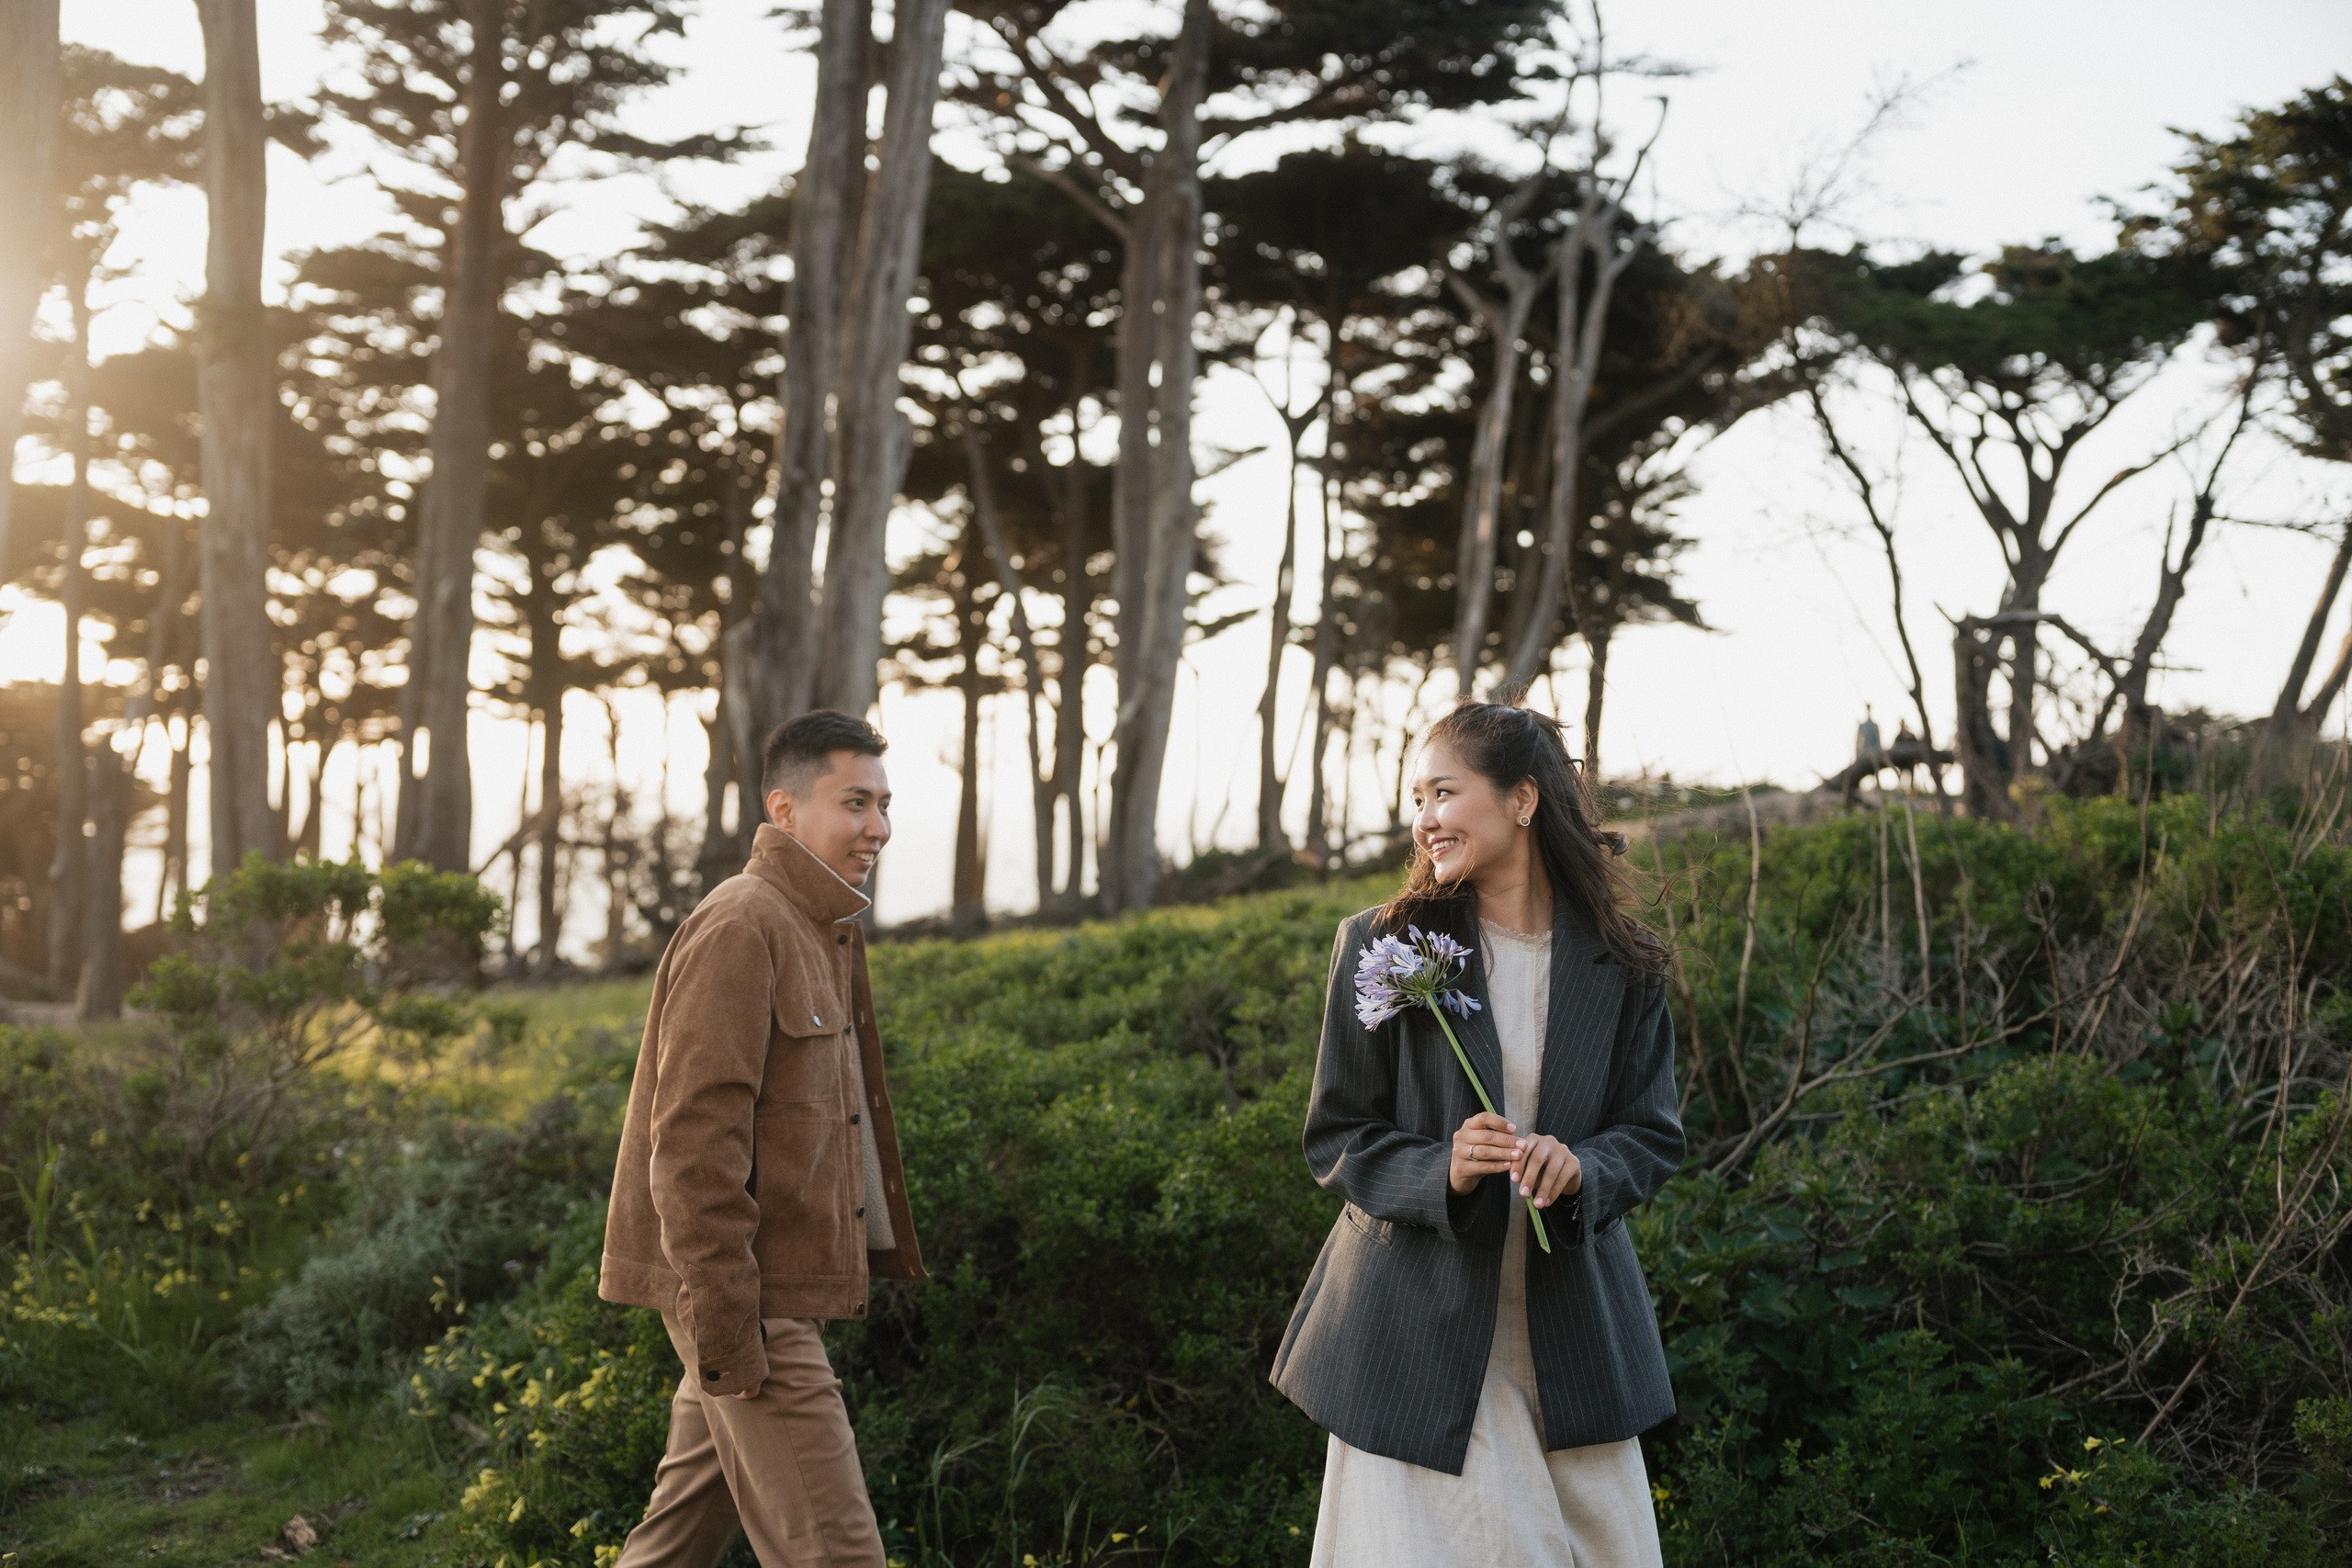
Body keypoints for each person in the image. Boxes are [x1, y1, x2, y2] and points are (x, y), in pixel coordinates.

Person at [1272, 699, 1683, 1566]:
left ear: (1523, 799)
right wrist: (1442, 1168)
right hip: (1421, 1338)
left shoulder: (1627, 963)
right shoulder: (1382, 944)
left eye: (1444, 793)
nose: (1423, 820)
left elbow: (1651, 1133)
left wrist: (1583, 1169)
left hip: (1572, 1335)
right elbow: (1338, 1134)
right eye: (1416, 798)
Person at [599, 709, 925, 1567]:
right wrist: (730, 1323)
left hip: (760, 1290)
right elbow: (694, 1143)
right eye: (855, 802)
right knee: (840, 1553)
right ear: (784, 810)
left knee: (676, 1539)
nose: (878, 827)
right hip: (751, 1299)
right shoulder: (744, 923)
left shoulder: (821, 927)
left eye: (885, 804)